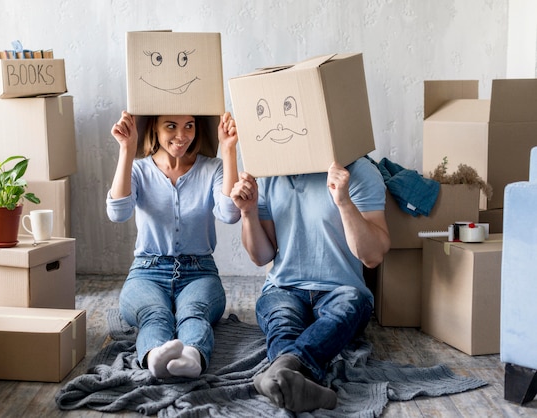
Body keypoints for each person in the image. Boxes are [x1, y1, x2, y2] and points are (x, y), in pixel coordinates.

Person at [230, 158, 391, 412]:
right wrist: (248, 212)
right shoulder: (271, 173)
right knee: (281, 319)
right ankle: (296, 377)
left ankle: (281, 373)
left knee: (351, 304)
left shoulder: (359, 172)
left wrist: (344, 202)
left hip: (342, 290)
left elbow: (373, 256)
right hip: (284, 288)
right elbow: (262, 256)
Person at [106, 111, 240, 379]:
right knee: (154, 315)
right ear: (154, 128)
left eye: (189, 126)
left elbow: (230, 213)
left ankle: (192, 357)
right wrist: (126, 149)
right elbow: (117, 213)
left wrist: (228, 151)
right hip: (147, 271)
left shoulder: (212, 168)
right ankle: (155, 356)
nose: (182, 135)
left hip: (199, 271)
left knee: (193, 313)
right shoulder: (139, 169)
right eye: (171, 126)